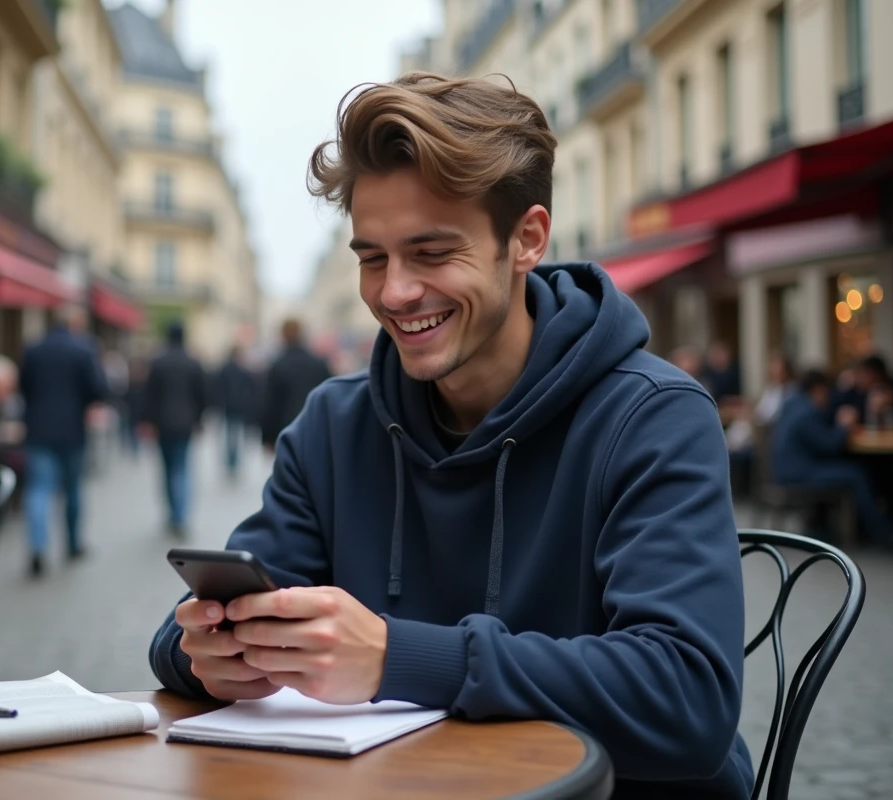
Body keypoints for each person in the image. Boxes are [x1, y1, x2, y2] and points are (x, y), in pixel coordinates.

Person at [149, 73, 752, 797]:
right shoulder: (332, 426)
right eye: (372, 257)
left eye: (432, 253)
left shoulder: (654, 416)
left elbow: (688, 701)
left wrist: (395, 658)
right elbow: (186, 636)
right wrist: (205, 652)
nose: (394, 292)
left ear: (526, 240)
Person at [19, 305, 108, 577]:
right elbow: (98, 390)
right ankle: (72, 544)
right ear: (77, 323)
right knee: (72, 489)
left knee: (39, 489)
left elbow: (23, 386)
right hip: (72, 431)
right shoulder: (83, 350)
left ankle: (37, 547)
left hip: (38, 429)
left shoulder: (33, 349)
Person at [771, 369, 891, 544]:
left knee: (848, 469)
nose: (828, 399)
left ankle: (832, 526)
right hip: (798, 474)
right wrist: (845, 426)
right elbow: (829, 446)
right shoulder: (807, 412)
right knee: (855, 474)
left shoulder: (791, 403)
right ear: (818, 390)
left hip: (783, 470)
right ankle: (879, 532)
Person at [140, 320, 207, 536]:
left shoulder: (158, 362)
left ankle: (173, 513)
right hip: (185, 423)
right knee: (182, 468)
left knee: (168, 469)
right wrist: (199, 420)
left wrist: (147, 421)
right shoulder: (192, 362)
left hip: (162, 424)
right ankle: (180, 515)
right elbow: (201, 395)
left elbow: (149, 395)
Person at [259, 318, 332, 451]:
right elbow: (331, 397)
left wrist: (267, 438)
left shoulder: (278, 365)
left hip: (286, 431)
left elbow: (270, 404)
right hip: (316, 428)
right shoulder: (318, 364)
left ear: (283, 336)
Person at [215, 344, 259, 479]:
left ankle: (232, 461)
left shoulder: (225, 370)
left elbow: (218, 388)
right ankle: (234, 461)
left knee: (231, 435)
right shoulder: (243, 371)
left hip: (229, 406)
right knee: (236, 435)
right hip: (240, 406)